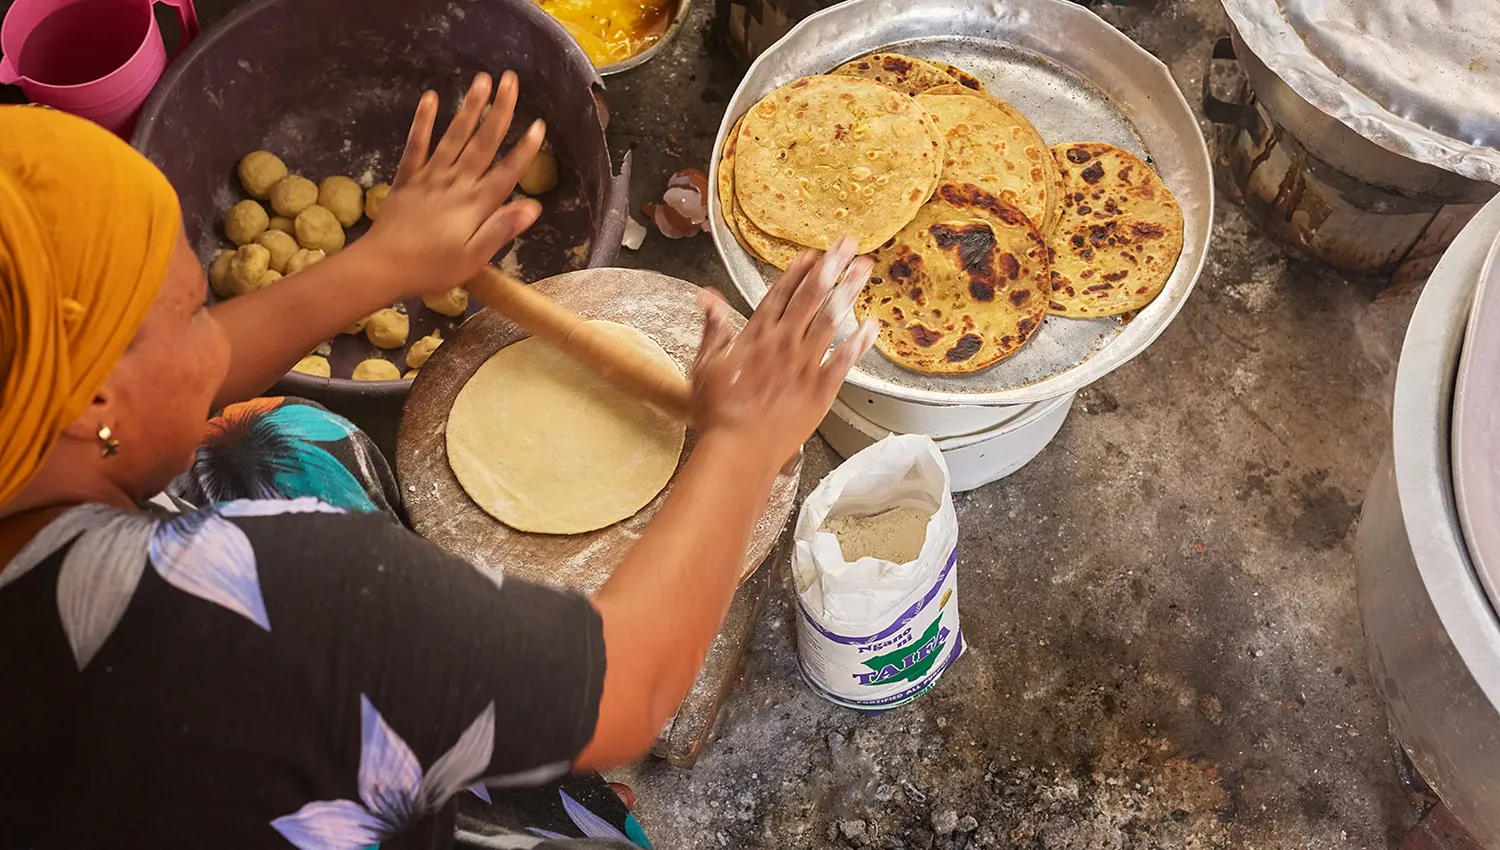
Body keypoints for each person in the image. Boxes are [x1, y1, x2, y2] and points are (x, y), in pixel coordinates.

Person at [0, 74, 878, 849]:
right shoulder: (271, 605)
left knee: (279, 434)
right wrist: (742, 441)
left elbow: (151, 385)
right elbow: (625, 692)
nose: (213, 332)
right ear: (91, 402)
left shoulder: (24, 434)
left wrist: (380, 264)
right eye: (196, 313)